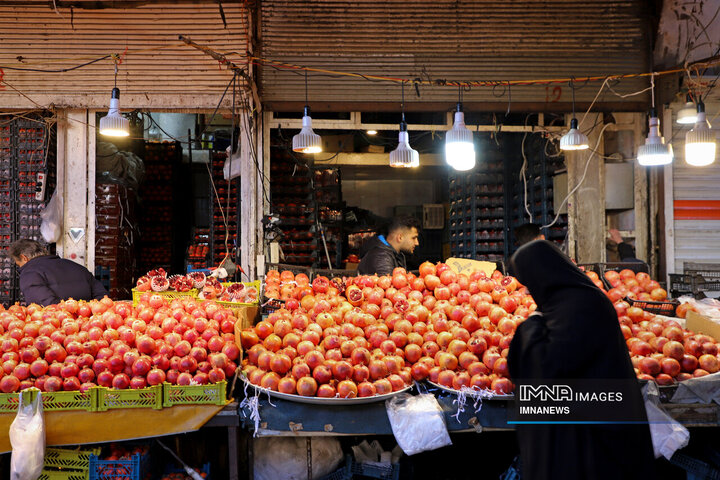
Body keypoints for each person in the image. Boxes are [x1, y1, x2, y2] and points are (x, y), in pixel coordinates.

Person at [507, 240, 654, 480]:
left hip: (595, 439)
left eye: (529, 284)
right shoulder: (574, 301)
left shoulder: (581, 306)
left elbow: (549, 364)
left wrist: (531, 326)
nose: (529, 291)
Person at [9, 239, 108, 306]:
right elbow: (103, 298)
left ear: (24, 258)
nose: (20, 268)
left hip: (59, 331)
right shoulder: (77, 267)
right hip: (90, 328)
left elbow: (45, 308)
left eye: (18, 264)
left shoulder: (29, 274)